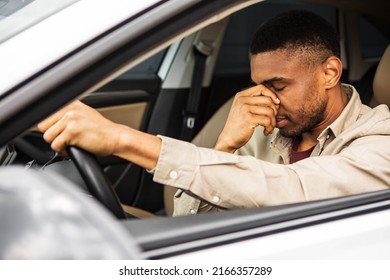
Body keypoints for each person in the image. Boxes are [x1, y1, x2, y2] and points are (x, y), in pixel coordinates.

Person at [38, 10, 390, 216]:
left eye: (279, 86)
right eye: (259, 85)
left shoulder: (379, 139)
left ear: (329, 72)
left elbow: (294, 190)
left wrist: (121, 139)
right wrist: (224, 145)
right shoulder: (263, 123)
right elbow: (187, 219)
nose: (267, 98)